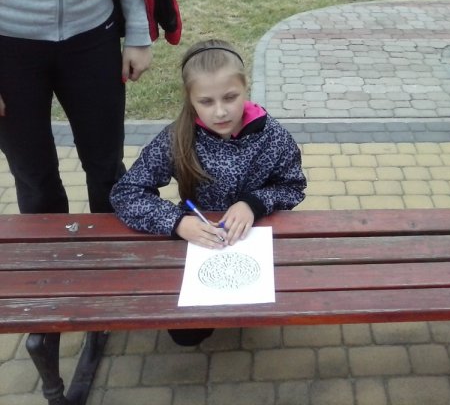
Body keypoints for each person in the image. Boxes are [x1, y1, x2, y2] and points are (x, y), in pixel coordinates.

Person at [110, 39, 307, 346]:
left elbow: (292, 186)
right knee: (186, 334)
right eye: (206, 101)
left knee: (272, 304)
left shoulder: (273, 137)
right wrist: (177, 222)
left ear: (245, 87)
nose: (220, 112)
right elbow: (126, 192)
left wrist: (254, 204)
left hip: (257, 237)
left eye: (230, 97)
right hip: (198, 238)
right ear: (190, 99)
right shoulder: (177, 138)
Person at [0, 0, 181, 215]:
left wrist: (138, 32)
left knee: (107, 169)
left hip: (94, 35)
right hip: (10, 43)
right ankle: (51, 244)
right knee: (33, 177)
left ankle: (108, 242)